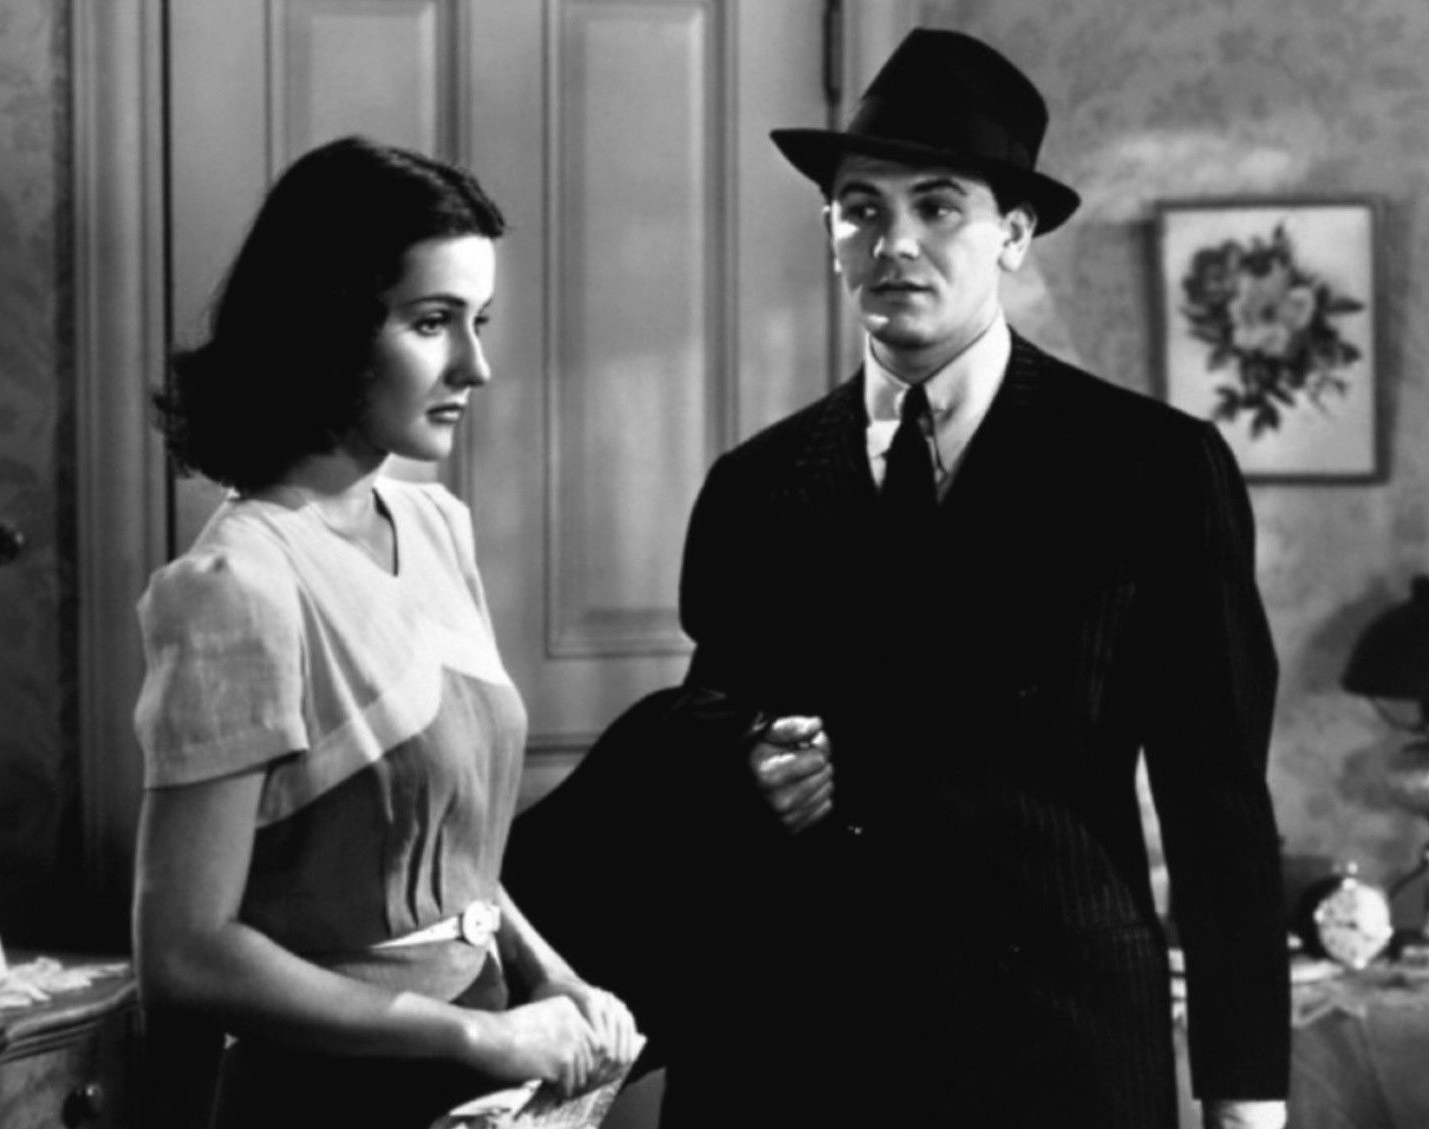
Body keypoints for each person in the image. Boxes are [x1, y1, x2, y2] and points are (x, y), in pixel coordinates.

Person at [665, 29, 1288, 1129]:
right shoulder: (754, 484)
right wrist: (744, 765)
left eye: (938, 206)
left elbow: (1219, 803)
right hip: (800, 1043)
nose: (893, 242)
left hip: (1057, 1048)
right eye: (860, 208)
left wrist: (1246, 1101)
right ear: (830, 232)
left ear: (1013, 233)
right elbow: (707, 737)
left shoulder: (1150, 469)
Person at [132, 136, 639, 1129]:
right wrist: (473, 1036)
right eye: (432, 321)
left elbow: (455, 865)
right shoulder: (239, 585)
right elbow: (183, 954)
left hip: (478, 1076)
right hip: (331, 1096)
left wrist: (552, 979)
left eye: (477, 321)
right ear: (328, 327)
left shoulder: (436, 526)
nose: (475, 366)